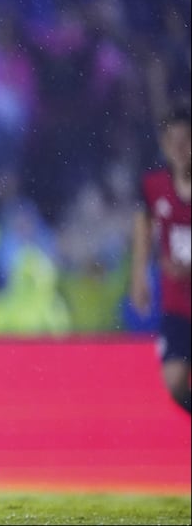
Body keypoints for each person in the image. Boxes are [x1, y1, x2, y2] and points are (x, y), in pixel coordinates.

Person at [129, 97, 191, 415]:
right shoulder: (154, 186)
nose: (179, 149)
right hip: (177, 303)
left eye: (186, 141)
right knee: (174, 382)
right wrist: (139, 275)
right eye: (172, 141)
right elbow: (144, 225)